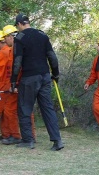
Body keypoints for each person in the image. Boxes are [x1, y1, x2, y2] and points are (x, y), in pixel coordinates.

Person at [11, 14, 64, 151]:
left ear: (20, 24)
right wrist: (56, 73)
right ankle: (57, 141)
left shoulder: (20, 38)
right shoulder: (42, 35)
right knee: (48, 109)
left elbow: (17, 62)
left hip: (29, 78)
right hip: (45, 76)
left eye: (17, 26)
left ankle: (28, 140)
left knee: (24, 108)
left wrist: (13, 80)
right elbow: (52, 57)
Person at [3, 25, 37, 143]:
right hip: (22, 83)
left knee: (10, 109)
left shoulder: (16, 48)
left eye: (5, 38)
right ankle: (30, 136)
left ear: (10, 37)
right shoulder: (16, 48)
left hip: (19, 84)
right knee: (27, 110)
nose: (4, 41)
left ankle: (16, 136)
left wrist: (15, 85)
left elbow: (18, 68)